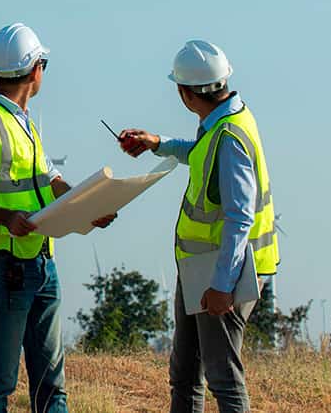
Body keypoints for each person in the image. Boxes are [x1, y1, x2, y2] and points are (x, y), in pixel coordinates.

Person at [0, 23, 115, 413]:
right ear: (36, 70)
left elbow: (50, 181)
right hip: (4, 267)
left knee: (52, 386)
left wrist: (90, 207)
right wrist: (6, 219)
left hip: (39, 262)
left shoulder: (23, 123)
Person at [118, 39, 279, 413]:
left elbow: (240, 215)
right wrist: (158, 144)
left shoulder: (229, 136)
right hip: (201, 268)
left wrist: (222, 286)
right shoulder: (225, 121)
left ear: (185, 94)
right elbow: (200, 153)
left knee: (223, 377)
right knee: (186, 371)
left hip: (222, 271)